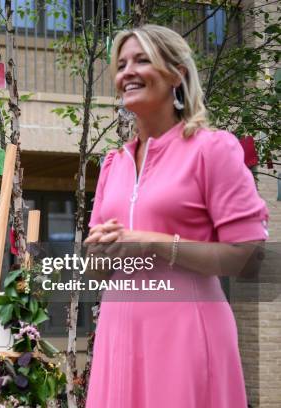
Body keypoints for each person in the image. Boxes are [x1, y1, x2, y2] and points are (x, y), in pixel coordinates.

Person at [83, 25, 268, 408]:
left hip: (186, 332)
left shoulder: (212, 150)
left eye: (142, 60)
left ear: (177, 74)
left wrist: (152, 243)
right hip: (118, 335)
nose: (127, 72)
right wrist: (98, 254)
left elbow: (249, 256)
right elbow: (96, 270)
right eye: (121, 65)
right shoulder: (111, 165)